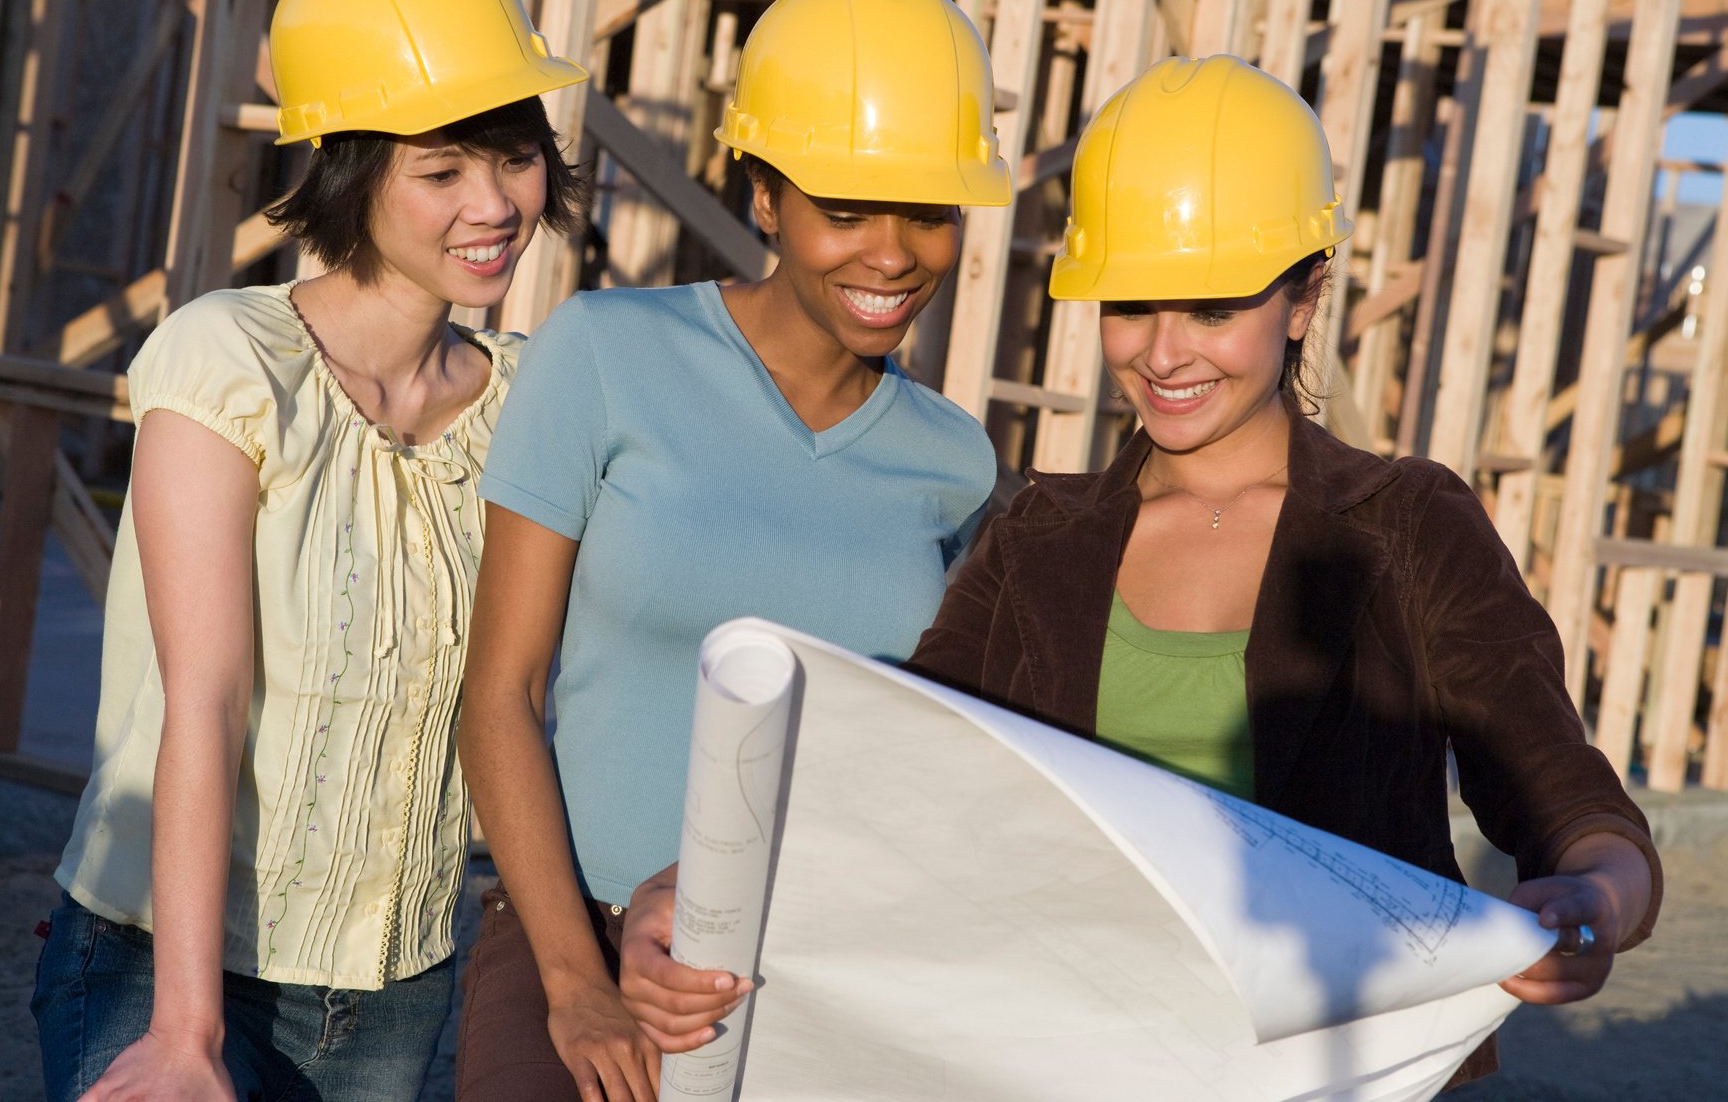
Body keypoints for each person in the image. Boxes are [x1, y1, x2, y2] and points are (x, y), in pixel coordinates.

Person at [617, 55, 1661, 1089]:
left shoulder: (1405, 528)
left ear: (1302, 300)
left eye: (1210, 311)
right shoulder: (1040, 538)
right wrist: (695, 892)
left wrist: (1594, 899)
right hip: (1071, 1066)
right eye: (1130, 306)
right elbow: (902, 781)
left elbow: (1558, 789)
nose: (1162, 356)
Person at [30, 0, 587, 1102]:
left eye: (515, 157)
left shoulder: (531, 400)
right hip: (167, 963)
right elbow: (207, 696)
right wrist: (186, 1031)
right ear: (347, 172)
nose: (494, 205)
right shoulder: (231, 357)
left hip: (396, 985)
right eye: (441, 171)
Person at [455, 0, 1010, 1102]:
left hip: (816, 963)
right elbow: (498, 692)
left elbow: (911, 760)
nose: (893, 252)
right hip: (582, 929)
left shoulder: (957, 462)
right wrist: (576, 982)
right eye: (846, 207)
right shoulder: (605, 355)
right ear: (764, 196)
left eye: (929, 211)